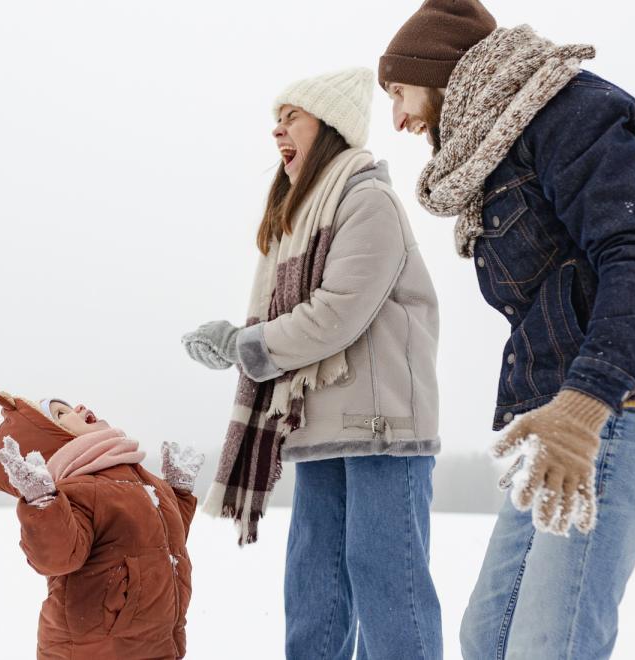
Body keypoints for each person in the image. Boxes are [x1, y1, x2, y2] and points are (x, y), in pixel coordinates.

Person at [378, 2, 635, 657]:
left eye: (398, 92)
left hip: (612, 418)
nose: (397, 118)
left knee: (546, 646)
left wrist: (585, 406)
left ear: (440, 72)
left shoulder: (570, 115)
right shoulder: (506, 146)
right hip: (556, 427)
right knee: (489, 639)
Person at [182, 67, 443, 659]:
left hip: (382, 431)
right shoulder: (300, 218)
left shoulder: (367, 200)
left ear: (329, 127)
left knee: (388, 593)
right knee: (314, 591)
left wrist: (243, 346)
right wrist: (236, 341)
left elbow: (335, 314)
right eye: (276, 119)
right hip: (319, 427)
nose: (277, 130)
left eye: (291, 117)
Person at [0, 391, 203, 660]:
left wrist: (178, 493)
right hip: (94, 651)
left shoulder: (146, 482)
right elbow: (58, 557)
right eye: (62, 415)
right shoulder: (77, 490)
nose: (78, 407)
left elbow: (161, 542)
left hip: (156, 645)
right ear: (54, 442)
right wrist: (43, 501)